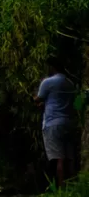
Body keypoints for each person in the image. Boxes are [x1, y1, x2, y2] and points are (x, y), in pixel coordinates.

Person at [35, 59, 79, 187]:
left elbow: (38, 99)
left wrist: (35, 100)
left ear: (52, 68)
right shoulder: (70, 83)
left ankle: (61, 190)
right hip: (68, 122)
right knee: (70, 158)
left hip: (53, 123)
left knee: (60, 158)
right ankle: (74, 187)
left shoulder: (48, 82)